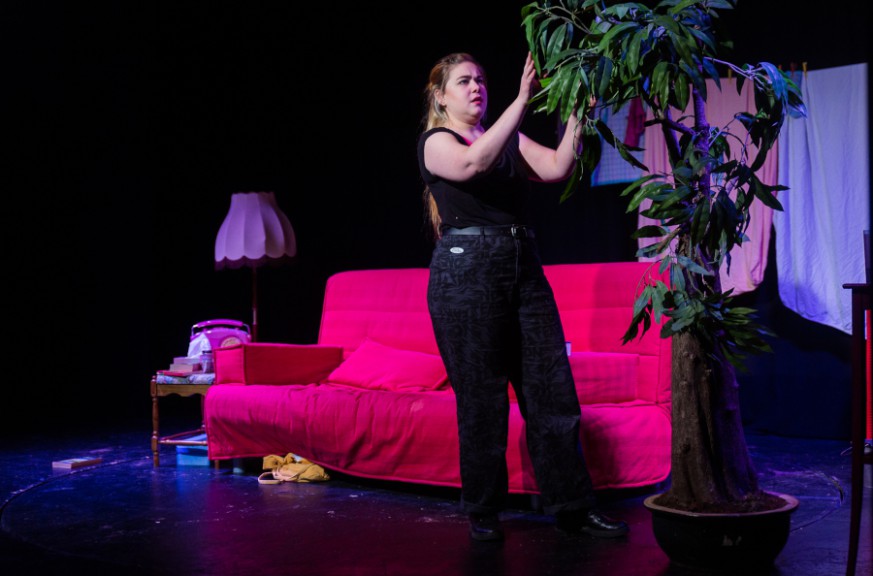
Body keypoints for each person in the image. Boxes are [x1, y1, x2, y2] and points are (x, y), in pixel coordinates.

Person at [417, 52, 629, 542]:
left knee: (551, 391)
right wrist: (523, 99)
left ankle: (573, 506)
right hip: (466, 272)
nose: (476, 88)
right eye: (464, 81)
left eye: (481, 79)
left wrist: (580, 111)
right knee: (482, 399)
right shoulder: (436, 143)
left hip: (522, 267)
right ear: (440, 96)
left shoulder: (505, 136)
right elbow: (473, 163)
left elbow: (556, 166)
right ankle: (484, 511)